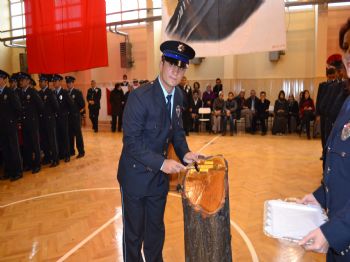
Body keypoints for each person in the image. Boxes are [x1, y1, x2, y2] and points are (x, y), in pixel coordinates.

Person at [117, 40, 199, 262]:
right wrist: (163, 163)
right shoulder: (139, 97)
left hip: (158, 180)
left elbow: (177, 132)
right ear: (161, 63)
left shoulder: (179, 96)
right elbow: (131, 142)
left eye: (181, 66)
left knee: (155, 232)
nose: (175, 70)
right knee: (134, 236)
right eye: (171, 63)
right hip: (135, 177)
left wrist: (185, 153)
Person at [298, 18, 350, 262]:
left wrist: (335, 233)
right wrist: (321, 196)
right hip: (338, 234)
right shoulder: (348, 104)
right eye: (347, 48)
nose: (348, 54)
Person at [0, 70, 23, 181]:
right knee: (5, 149)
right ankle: (9, 171)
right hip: (2, 127)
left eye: (0, 78)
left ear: (4, 80)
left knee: (14, 149)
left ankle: (18, 171)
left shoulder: (10, 92)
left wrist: (14, 121)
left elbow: (18, 108)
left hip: (10, 125)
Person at [38, 74, 60, 167]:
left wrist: (51, 115)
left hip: (50, 120)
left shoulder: (50, 92)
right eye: (39, 81)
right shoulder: (39, 93)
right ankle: (47, 158)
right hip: (42, 121)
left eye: (41, 81)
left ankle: (55, 159)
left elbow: (56, 106)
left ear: (46, 83)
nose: (40, 83)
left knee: (52, 141)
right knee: (45, 141)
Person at [53, 74, 73, 162]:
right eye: (53, 81)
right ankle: (61, 154)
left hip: (63, 118)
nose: (54, 83)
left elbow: (71, 104)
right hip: (56, 119)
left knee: (65, 137)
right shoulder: (53, 93)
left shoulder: (64, 92)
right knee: (58, 137)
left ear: (60, 82)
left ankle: (67, 154)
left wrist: (66, 113)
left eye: (56, 81)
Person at [66, 76, 85, 158]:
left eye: (70, 83)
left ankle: (81, 151)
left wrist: (76, 111)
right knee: (70, 135)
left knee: (78, 135)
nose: (68, 84)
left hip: (76, 117)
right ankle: (71, 151)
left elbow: (82, 104)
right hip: (68, 117)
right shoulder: (66, 93)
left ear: (73, 83)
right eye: (67, 83)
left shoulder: (77, 92)